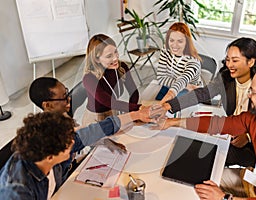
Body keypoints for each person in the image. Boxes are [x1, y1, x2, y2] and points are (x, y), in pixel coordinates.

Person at [155, 62, 256, 199]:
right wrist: (172, 122)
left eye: (253, 92)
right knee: (197, 184)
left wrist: (223, 198)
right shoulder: (254, 120)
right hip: (254, 181)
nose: (249, 95)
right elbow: (217, 124)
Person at [161, 37, 256, 167]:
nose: (229, 65)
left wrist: (248, 136)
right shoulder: (226, 77)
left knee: (206, 155)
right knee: (193, 142)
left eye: (235, 61)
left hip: (254, 146)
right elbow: (203, 93)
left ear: (250, 62)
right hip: (230, 131)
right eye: (228, 60)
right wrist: (169, 105)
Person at [28, 77, 160, 179]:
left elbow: (84, 134)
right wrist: (134, 115)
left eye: (67, 93)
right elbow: (87, 134)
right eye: (64, 98)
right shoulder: (52, 138)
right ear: (47, 105)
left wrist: (106, 142)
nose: (69, 100)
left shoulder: (62, 118)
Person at [82, 34, 141, 126]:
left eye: (116, 52)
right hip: (96, 119)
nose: (115, 58)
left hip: (113, 112)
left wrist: (132, 113)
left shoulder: (122, 67)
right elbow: (107, 102)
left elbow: (134, 92)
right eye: (109, 56)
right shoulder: (89, 78)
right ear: (97, 59)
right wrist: (139, 109)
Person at [140, 22, 202, 104]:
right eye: (171, 40)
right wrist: (186, 85)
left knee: (172, 107)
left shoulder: (193, 62)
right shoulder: (166, 50)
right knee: (149, 100)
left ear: (187, 42)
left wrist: (161, 104)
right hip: (180, 86)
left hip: (190, 90)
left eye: (180, 41)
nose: (174, 45)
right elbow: (161, 78)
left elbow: (182, 80)